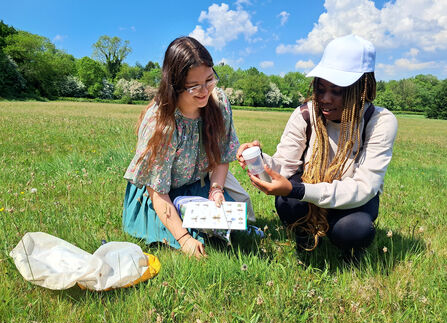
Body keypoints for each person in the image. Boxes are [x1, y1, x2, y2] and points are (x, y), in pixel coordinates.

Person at [237, 35, 398, 259]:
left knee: (355, 229)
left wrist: (300, 190)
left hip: (352, 202)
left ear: (361, 88)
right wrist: (260, 161)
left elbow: (364, 188)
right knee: (287, 202)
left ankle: (348, 250)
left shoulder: (379, 121)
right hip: (310, 195)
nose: (325, 99)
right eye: (320, 89)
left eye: (337, 91)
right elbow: (285, 166)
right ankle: (305, 236)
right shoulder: (305, 114)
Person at [123, 36, 254, 258]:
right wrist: (184, 240)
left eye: (210, 80)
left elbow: (222, 155)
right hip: (160, 192)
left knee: (234, 218)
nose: (205, 91)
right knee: (188, 234)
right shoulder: (161, 122)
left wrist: (216, 190)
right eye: (194, 86)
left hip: (198, 183)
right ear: (174, 86)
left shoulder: (218, 103)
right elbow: (157, 190)